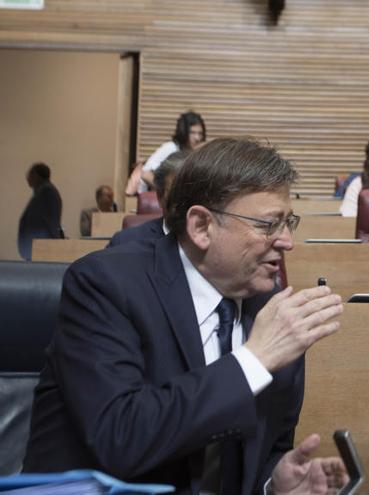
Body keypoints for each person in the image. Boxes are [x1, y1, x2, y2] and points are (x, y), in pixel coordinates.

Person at [24, 138, 348, 495]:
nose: (286, 241)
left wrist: (274, 482)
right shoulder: (105, 285)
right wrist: (253, 360)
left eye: (289, 223)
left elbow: (263, 449)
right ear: (201, 227)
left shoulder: (271, 311)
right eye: (268, 225)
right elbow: (121, 439)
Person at [109, 150, 189, 246]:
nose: (185, 200)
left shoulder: (211, 244)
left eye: (195, 191)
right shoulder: (125, 242)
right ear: (160, 197)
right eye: (176, 192)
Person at [140, 111, 206, 191]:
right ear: (183, 132)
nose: (197, 138)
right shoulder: (171, 147)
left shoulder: (197, 152)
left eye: (200, 133)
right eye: (192, 133)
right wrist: (166, 191)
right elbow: (145, 174)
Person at [18, 162, 63, 260]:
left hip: (40, 249)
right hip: (37, 248)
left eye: (29, 174)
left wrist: (56, 243)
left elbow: (50, 221)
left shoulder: (47, 192)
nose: (27, 178)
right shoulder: (43, 191)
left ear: (36, 175)